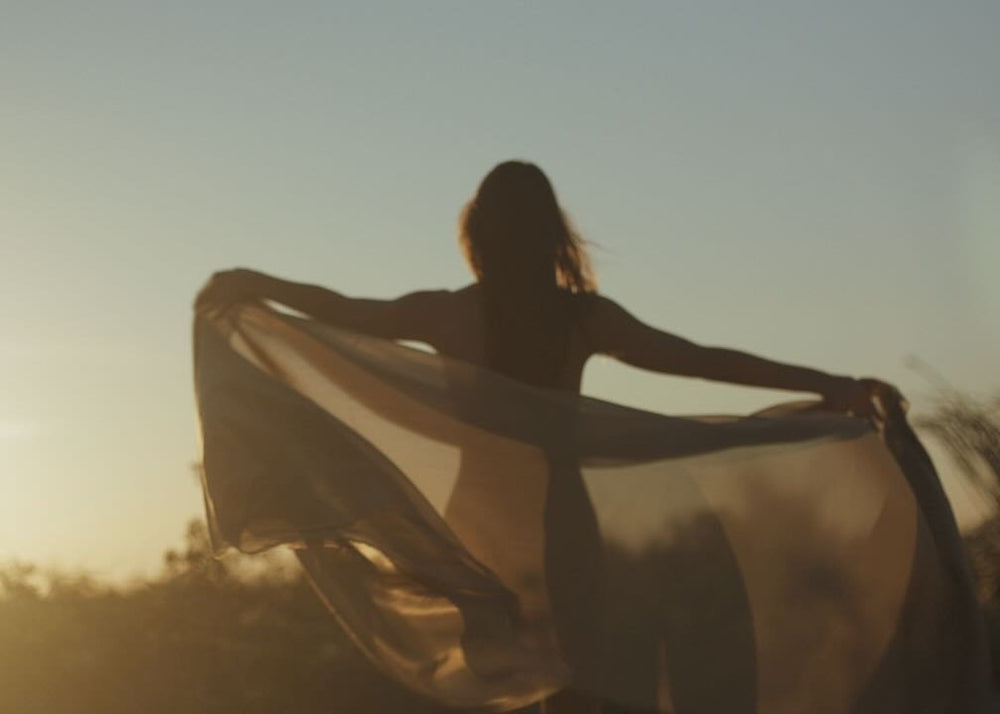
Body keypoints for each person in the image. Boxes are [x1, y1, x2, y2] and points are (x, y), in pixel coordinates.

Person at [196, 160, 889, 713]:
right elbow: (700, 359)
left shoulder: (452, 314)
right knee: (568, 680)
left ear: (481, 234)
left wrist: (253, 282)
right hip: (559, 520)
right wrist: (831, 385)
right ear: (549, 234)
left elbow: (345, 311)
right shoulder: (581, 320)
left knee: (529, 679)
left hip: (478, 524)